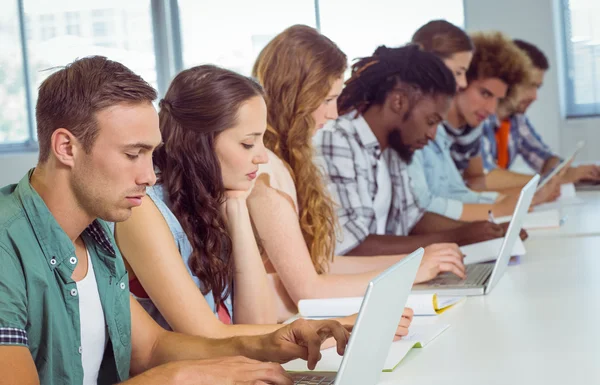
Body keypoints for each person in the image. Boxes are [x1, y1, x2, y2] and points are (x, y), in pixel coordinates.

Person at [0, 56, 350, 385]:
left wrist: (268, 344)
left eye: (151, 153)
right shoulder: (6, 246)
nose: (149, 176)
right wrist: (173, 378)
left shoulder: (95, 235)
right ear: (66, 147)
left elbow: (150, 348)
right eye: (132, 154)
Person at [114, 64, 412, 342]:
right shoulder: (144, 212)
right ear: (199, 145)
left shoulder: (214, 201)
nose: (263, 157)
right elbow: (207, 338)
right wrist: (338, 328)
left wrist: (237, 209)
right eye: (248, 143)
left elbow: (257, 321)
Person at [248, 25, 457, 322]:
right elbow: (308, 289)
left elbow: (319, 265)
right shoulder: (266, 169)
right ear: (296, 96)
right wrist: (413, 270)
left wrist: (413, 263)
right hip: (283, 328)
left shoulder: (287, 162)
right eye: (326, 101)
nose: (333, 113)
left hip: (294, 321)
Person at [313, 44, 506, 260]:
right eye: (431, 121)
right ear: (399, 102)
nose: (432, 135)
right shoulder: (337, 139)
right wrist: (459, 236)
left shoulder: (393, 149)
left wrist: (485, 231)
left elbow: (413, 219)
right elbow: (353, 247)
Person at [407, 22, 528, 221]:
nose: (461, 83)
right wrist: (495, 209)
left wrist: (500, 202)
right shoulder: (410, 123)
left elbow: (455, 190)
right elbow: (422, 208)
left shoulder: (443, 128)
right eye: (458, 72)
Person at [478, 39, 600, 186]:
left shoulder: (516, 119)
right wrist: (551, 181)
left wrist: (569, 172)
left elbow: (543, 158)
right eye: (529, 85)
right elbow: (484, 176)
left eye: (538, 87)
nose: (535, 96)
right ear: (508, 80)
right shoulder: (479, 117)